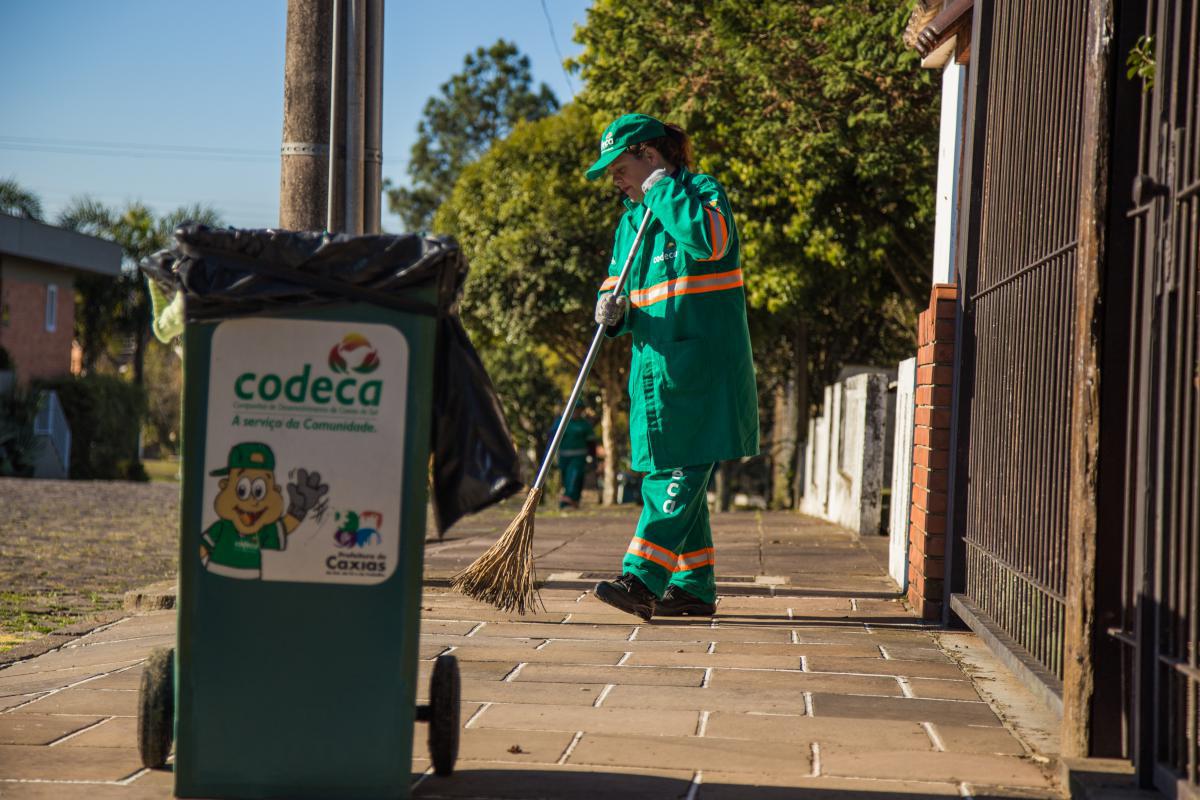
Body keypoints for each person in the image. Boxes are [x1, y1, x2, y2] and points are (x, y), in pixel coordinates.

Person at [585, 113, 759, 620]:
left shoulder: (701, 193)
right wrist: (610, 311)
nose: (615, 180)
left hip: (702, 370)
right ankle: (693, 586)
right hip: (653, 372)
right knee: (673, 473)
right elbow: (617, 285)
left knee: (676, 473)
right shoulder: (629, 224)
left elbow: (710, 242)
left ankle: (641, 579)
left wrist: (662, 190)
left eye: (620, 168)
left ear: (650, 155)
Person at [551, 407, 597, 509]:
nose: (576, 412)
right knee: (566, 478)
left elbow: (591, 442)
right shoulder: (561, 421)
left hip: (579, 456)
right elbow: (552, 437)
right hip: (563, 456)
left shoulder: (584, 424)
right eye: (574, 409)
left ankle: (568, 499)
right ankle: (573, 500)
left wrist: (592, 457)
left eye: (578, 410)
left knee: (574, 476)